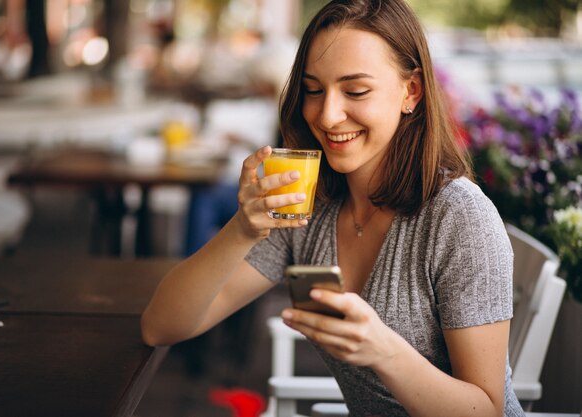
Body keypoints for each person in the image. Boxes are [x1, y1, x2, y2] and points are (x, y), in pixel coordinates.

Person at [142, 0, 525, 416]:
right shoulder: (310, 207)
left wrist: (384, 350)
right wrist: (242, 229)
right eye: (313, 89)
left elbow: (488, 410)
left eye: (355, 91)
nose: (327, 115)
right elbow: (161, 326)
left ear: (410, 91)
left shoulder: (459, 217)